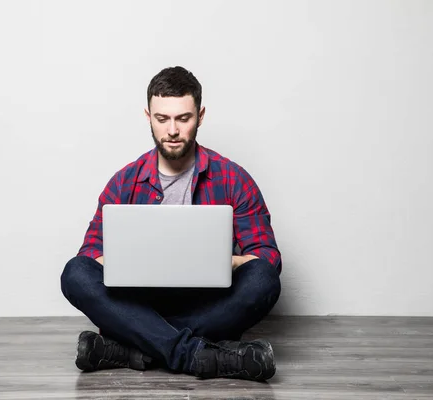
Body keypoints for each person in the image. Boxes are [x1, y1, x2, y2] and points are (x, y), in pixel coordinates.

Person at [60, 66, 282, 382]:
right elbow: (90, 258)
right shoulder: (125, 182)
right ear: (148, 116)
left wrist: (222, 262)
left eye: (183, 118)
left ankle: (134, 348)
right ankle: (197, 354)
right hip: (140, 303)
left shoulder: (234, 178)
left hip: (207, 303)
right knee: (75, 272)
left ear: (200, 115)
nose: (172, 130)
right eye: (162, 119)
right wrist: (130, 261)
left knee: (263, 279)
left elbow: (268, 259)